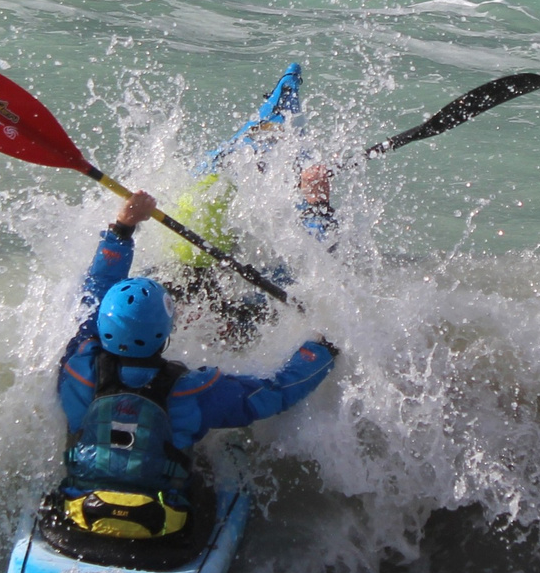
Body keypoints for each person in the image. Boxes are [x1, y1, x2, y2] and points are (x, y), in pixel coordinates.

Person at [54, 189, 335, 542]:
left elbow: (95, 291)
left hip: (82, 514)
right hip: (163, 530)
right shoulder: (192, 390)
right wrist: (322, 351)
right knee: (197, 461)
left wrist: (122, 229)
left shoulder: (76, 369)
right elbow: (274, 394)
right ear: (165, 332)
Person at [155, 63, 336, 345]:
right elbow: (322, 253)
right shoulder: (249, 314)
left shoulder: (164, 291)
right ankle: (280, 109)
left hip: (213, 195)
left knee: (236, 157)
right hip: (216, 232)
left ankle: (276, 112)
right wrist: (318, 203)